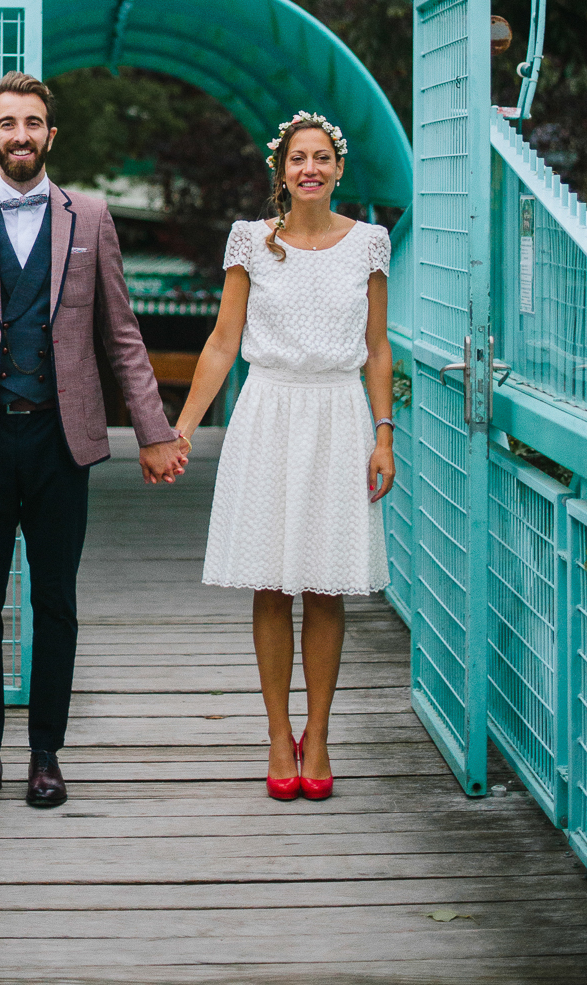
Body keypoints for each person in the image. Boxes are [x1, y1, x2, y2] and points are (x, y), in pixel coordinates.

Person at [0, 71, 188, 811]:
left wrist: (155, 433)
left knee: (56, 601)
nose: (21, 135)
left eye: (32, 122)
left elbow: (121, 334)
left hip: (62, 441)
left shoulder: (90, 217)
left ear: (50, 134)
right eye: (7, 123)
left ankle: (45, 755)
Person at [172, 112, 394, 800]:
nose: (310, 168)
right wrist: (181, 428)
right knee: (270, 582)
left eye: (322, 157)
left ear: (338, 168)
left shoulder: (370, 244)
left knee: (326, 584)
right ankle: (277, 734)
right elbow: (221, 342)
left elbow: (378, 347)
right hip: (267, 413)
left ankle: (318, 735)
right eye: (298, 157)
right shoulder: (250, 241)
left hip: (339, 416)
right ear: (282, 169)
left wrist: (384, 434)